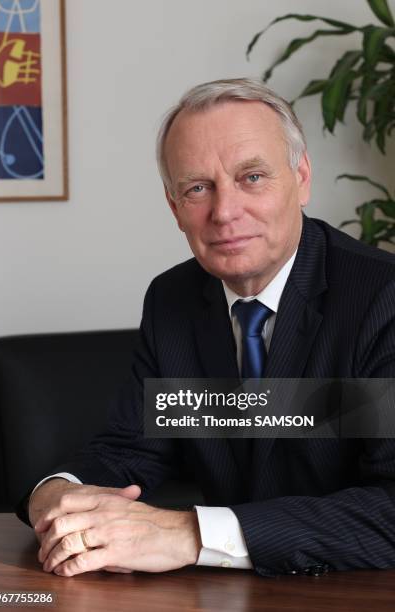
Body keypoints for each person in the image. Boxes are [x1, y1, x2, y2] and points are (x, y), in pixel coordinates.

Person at [22, 78, 395, 578]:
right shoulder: (173, 300)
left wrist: (187, 534)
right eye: (198, 188)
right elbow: (135, 447)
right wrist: (56, 491)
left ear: (302, 178)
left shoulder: (382, 298)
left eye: (252, 177)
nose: (224, 212)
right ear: (175, 207)